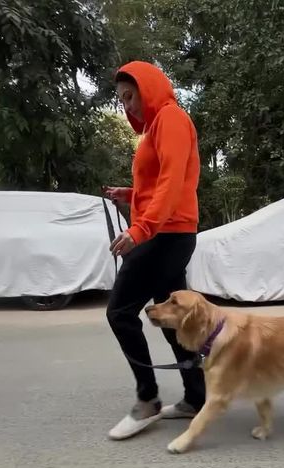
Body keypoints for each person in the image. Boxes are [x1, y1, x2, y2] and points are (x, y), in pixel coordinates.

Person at [104, 61, 206, 440]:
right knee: (173, 318)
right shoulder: (156, 127)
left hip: (164, 236)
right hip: (169, 234)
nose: (127, 105)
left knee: (120, 312)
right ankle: (197, 397)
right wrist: (130, 195)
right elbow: (157, 185)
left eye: (130, 96)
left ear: (148, 88)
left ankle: (148, 400)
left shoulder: (170, 119)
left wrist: (140, 228)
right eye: (122, 100)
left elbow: (173, 182)